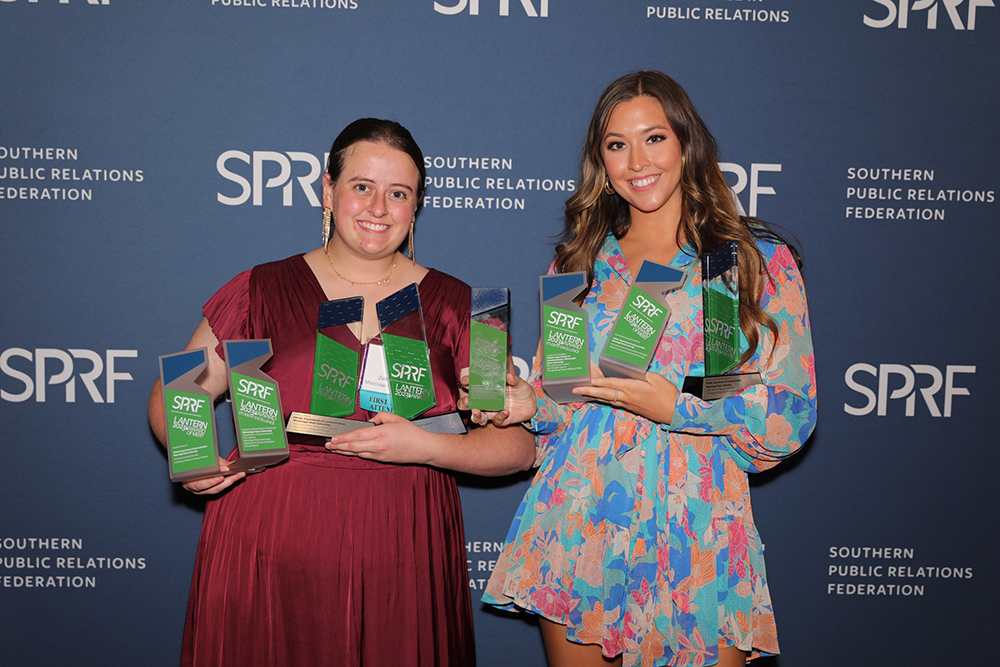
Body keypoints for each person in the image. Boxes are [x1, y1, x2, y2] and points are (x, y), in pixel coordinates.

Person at [148, 118, 535, 667]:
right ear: (327, 190)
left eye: (398, 193)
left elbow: (517, 447)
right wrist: (193, 455)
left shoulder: (464, 308)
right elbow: (177, 387)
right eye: (361, 186)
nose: (378, 208)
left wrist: (427, 447)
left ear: (415, 206)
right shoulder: (259, 289)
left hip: (404, 549)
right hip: (267, 539)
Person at [481, 71, 817, 667]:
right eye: (617, 144)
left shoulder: (747, 260)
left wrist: (677, 405)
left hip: (698, 527)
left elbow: (788, 413)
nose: (637, 160)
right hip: (579, 520)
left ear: (687, 143)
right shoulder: (578, 261)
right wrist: (529, 404)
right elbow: (563, 394)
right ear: (600, 161)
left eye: (654, 138)